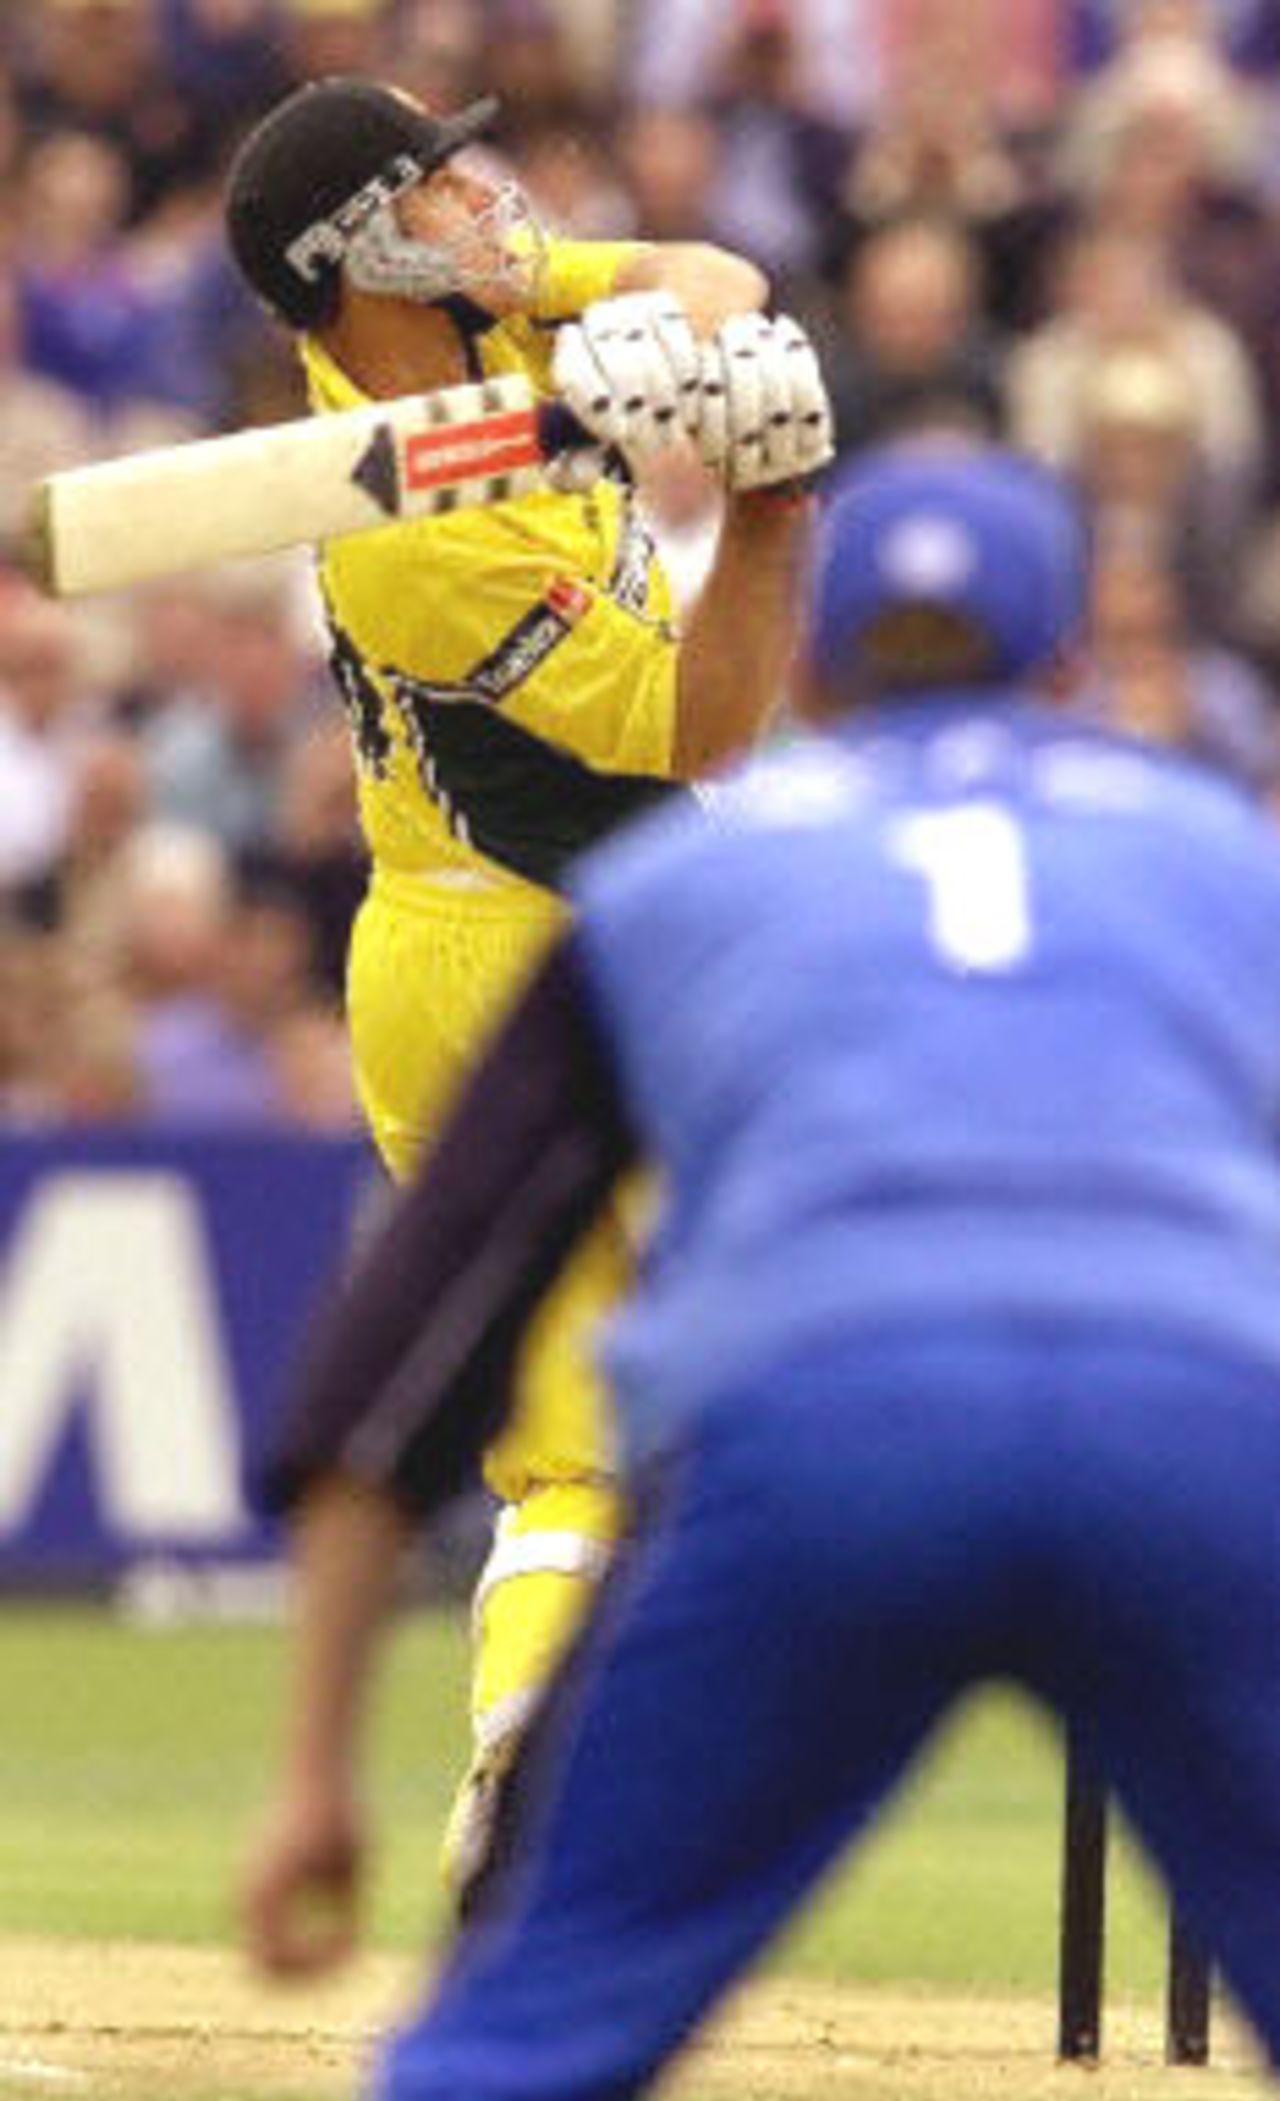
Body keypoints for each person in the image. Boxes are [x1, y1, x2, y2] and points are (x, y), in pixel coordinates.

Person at [243, 441, 1280, 2092]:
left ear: (798, 665)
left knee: (525, 2034)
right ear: (1077, 665)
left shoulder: (680, 882)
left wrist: (312, 1768)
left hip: (820, 1427)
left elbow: (412, 1342)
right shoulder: (1227, 856)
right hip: (1198, 1425)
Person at [221, 74, 831, 1907]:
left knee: (688, 1411)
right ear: (361, 254)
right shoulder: (404, 529)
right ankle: (528, 1788)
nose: (483, 200)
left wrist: (679, 350)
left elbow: (718, 271)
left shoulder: (500, 309)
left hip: (624, 927)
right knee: (570, 1434)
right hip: (495, 946)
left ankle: (585, 1772)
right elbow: (694, 721)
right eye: (433, 182)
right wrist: (778, 509)